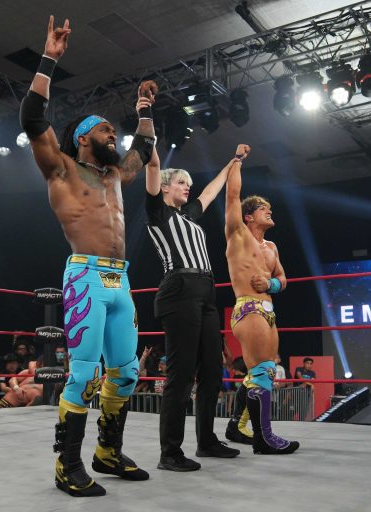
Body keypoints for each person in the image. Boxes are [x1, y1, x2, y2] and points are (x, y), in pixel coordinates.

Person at [21, 16, 156, 497]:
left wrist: (143, 109)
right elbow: (32, 119)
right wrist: (49, 60)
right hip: (85, 278)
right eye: (104, 129)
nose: (112, 134)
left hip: (121, 281)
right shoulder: (61, 169)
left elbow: (144, 147)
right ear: (83, 137)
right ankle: (67, 465)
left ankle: (107, 452)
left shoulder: (115, 175)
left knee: (127, 372)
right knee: (83, 373)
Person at [144, 146, 242, 470]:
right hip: (179, 288)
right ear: (165, 186)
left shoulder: (188, 216)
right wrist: (148, 132)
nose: (187, 187)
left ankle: (207, 441)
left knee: (213, 369)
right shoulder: (158, 212)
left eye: (188, 184)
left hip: (206, 291)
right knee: (181, 373)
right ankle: (170, 453)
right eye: (181, 183)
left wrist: (233, 162)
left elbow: (211, 191)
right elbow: (152, 168)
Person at [223, 144, 299, 455]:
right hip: (249, 308)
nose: (270, 212)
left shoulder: (272, 248)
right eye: (263, 209)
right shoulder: (238, 235)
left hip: (268, 310)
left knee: (263, 371)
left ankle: (237, 426)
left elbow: (283, 279)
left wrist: (271, 283)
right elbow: (232, 196)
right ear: (249, 216)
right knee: (261, 372)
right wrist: (237, 161)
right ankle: (263, 438)